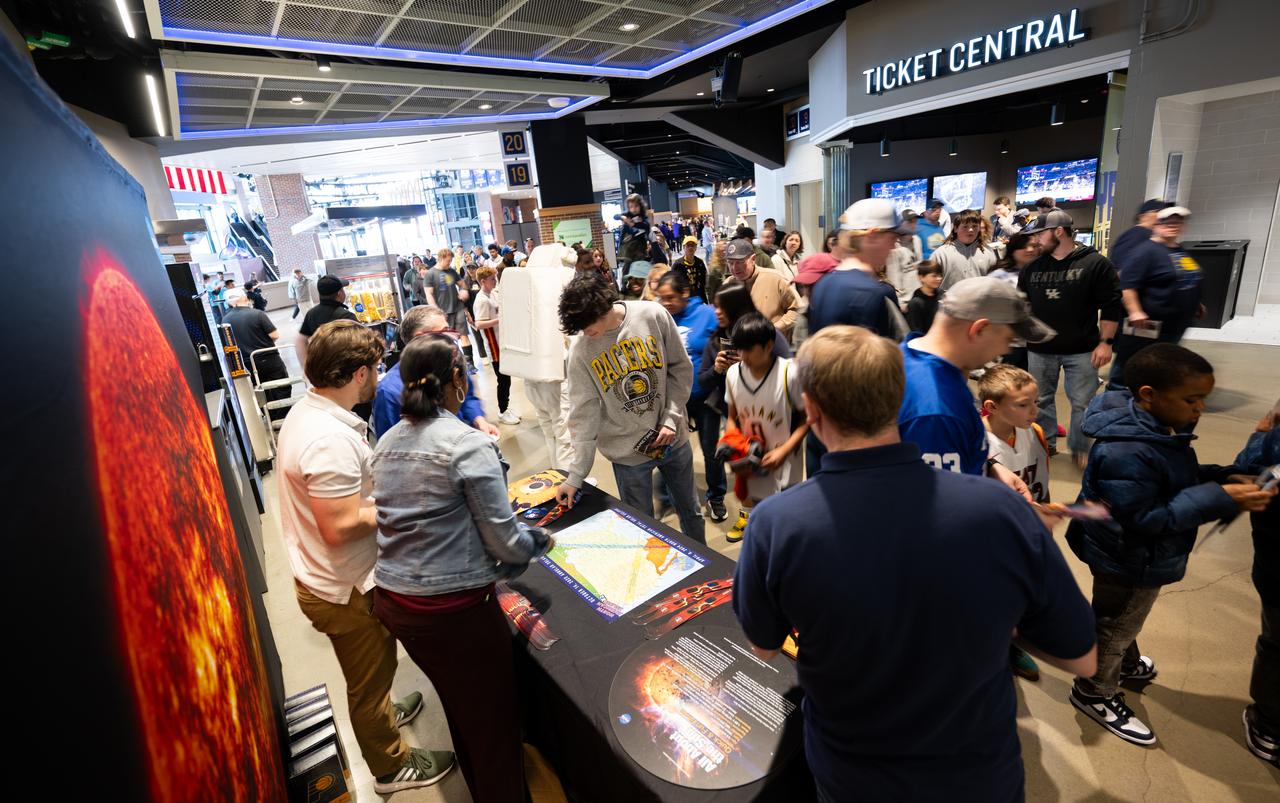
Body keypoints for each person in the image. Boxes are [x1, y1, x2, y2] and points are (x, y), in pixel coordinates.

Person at [733, 324, 1097, 802]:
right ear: (896, 398)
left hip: (855, 775)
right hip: (977, 773)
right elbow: (1082, 657)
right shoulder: (1000, 510)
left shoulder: (775, 524)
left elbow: (761, 645)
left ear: (812, 408)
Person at [275, 320, 455, 793]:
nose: (380, 375)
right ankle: (391, 765)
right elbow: (338, 527)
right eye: (375, 368)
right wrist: (403, 503)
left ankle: (384, 716)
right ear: (357, 374)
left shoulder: (311, 414)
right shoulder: (328, 439)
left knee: (375, 669)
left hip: (329, 577)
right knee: (368, 681)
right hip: (341, 585)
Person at [371, 335, 551, 802]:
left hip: (398, 604)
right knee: (493, 722)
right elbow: (504, 539)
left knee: (463, 706)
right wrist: (539, 542)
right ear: (456, 379)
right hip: (452, 613)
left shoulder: (387, 440)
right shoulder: (465, 445)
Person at [1067, 344, 1276, 745]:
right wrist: (1221, 498)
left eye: (1203, 400)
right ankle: (1093, 691)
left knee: (1122, 619)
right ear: (1148, 394)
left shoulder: (1155, 429)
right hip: (1128, 558)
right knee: (1117, 621)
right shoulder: (1126, 451)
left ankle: (1122, 663)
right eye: (1191, 400)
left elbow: (1173, 476)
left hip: (1132, 555)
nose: (1200, 410)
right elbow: (1145, 519)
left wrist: (1222, 477)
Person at [554, 273, 705, 544]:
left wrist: (670, 418)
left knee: (691, 512)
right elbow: (583, 415)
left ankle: (708, 574)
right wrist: (575, 476)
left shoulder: (652, 315)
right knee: (641, 527)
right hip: (628, 454)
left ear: (604, 307)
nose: (586, 333)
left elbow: (681, 369)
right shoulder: (580, 350)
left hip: (673, 438)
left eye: (588, 325)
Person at [900, 276, 1053, 492]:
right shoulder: (936, 409)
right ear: (979, 329)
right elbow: (941, 504)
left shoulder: (913, 356)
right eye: (1008, 339)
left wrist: (990, 466)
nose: (1007, 351)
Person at [1020, 208, 1123, 464]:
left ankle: (1080, 450)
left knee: (1082, 402)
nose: (1036, 240)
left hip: (1082, 348)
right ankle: (1047, 444)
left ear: (1058, 232)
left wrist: (1106, 343)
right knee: (1040, 400)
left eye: (1040, 234)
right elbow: (1023, 305)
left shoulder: (1096, 264)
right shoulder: (1032, 267)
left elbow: (1111, 307)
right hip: (1040, 349)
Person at [699, 283, 793, 522]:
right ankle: (748, 518)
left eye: (721, 307)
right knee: (745, 474)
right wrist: (718, 369)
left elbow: (786, 369)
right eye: (714, 305)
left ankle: (775, 520)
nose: (715, 311)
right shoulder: (715, 340)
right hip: (733, 414)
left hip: (771, 415)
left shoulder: (766, 334)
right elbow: (704, 381)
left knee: (775, 474)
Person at [723, 313, 808, 542]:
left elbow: (806, 420)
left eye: (749, 350)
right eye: (739, 349)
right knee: (759, 525)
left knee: (786, 526)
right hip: (750, 463)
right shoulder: (733, 374)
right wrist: (731, 443)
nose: (742, 356)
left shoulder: (789, 373)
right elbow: (732, 417)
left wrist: (784, 450)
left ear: (769, 345)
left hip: (785, 464)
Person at [1108, 206, 1204, 388]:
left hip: (1174, 325)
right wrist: (1135, 311)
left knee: (1157, 367)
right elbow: (1127, 284)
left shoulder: (1178, 250)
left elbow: (1186, 278)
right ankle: (1115, 401)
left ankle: (1145, 401)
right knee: (1129, 366)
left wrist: (1195, 302)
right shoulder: (1146, 251)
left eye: (1178, 222)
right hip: (1147, 326)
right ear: (1156, 225)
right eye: (1167, 222)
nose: (1173, 226)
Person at [1234, 400, 1280, 765]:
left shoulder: (1273, 441)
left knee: (1276, 645)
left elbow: (1244, 470)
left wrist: (1262, 432)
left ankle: (1269, 726)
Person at [655, 271, 719, 516]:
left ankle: (716, 496)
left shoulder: (707, 315)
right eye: (662, 298)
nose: (666, 303)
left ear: (684, 293)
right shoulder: (662, 318)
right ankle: (666, 498)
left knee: (710, 450)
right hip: (674, 400)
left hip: (705, 397)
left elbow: (727, 340)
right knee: (666, 450)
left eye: (670, 297)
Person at [807, 199, 907, 338]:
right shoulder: (874, 292)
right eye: (892, 238)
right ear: (872, 236)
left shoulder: (823, 283)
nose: (893, 246)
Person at [979, 364, 1051, 505]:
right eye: (1023, 405)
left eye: (1035, 402)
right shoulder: (973, 442)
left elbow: (1042, 483)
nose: (1035, 410)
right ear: (992, 407)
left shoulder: (1035, 431)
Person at [224, 288, 291, 420]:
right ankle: (282, 417)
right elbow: (275, 335)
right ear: (245, 298)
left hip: (246, 363)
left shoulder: (225, 319)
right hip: (269, 358)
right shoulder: (257, 314)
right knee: (281, 386)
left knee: (259, 391)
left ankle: (270, 416)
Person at [723, 238, 800, 336]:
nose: (734, 268)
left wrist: (774, 328)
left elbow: (796, 309)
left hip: (773, 345)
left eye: (740, 262)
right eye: (730, 263)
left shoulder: (775, 279)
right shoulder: (727, 285)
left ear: (753, 259)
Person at [987, 232, 1042, 369]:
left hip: (1036, 343)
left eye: (1034, 246)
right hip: (1008, 343)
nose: (1030, 250)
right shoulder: (999, 275)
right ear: (1013, 250)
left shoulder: (1042, 273)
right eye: (1024, 246)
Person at [472, 266, 520, 426]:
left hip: (502, 342)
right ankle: (502, 411)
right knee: (503, 380)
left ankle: (505, 408)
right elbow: (478, 324)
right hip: (494, 347)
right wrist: (501, 319)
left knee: (507, 379)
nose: (495, 281)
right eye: (492, 279)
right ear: (483, 281)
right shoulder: (482, 300)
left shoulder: (492, 293)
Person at [297, 275, 358, 366]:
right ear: (339, 293)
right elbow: (360, 344)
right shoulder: (346, 316)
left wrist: (307, 366)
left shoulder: (311, 314)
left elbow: (301, 340)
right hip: (344, 368)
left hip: (322, 368)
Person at [932, 209, 998, 290]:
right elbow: (930, 283)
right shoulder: (941, 254)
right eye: (965, 226)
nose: (970, 230)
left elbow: (993, 281)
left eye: (974, 226)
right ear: (956, 228)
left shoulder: (987, 252)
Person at [423, 249, 471, 352]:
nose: (450, 263)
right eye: (448, 261)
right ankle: (455, 362)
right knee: (449, 339)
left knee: (464, 335)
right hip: (443, 311)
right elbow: (429, 294)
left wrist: (464, 291)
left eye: (451, 261)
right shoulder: (430, 274)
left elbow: (462, 285)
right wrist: (436, 311)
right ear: (441, 259)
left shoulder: (451, 271)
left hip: (458, 307)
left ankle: (470, 362)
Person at [905, 260, 943, 334]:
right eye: (934, 276)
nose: (939, 278)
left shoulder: (942, 295)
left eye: (940, 275)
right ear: (921, 277)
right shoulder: (915, 303)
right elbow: (915, 331)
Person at [674, 236, 708, 301]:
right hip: (684, 300)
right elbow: (674, 284)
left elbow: (703, 283)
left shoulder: (700, 263)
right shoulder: (678, 264)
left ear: (696, 248)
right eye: (688, 245)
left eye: (692, 245)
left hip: (698, 298)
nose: (690, 248)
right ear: (684, 247)